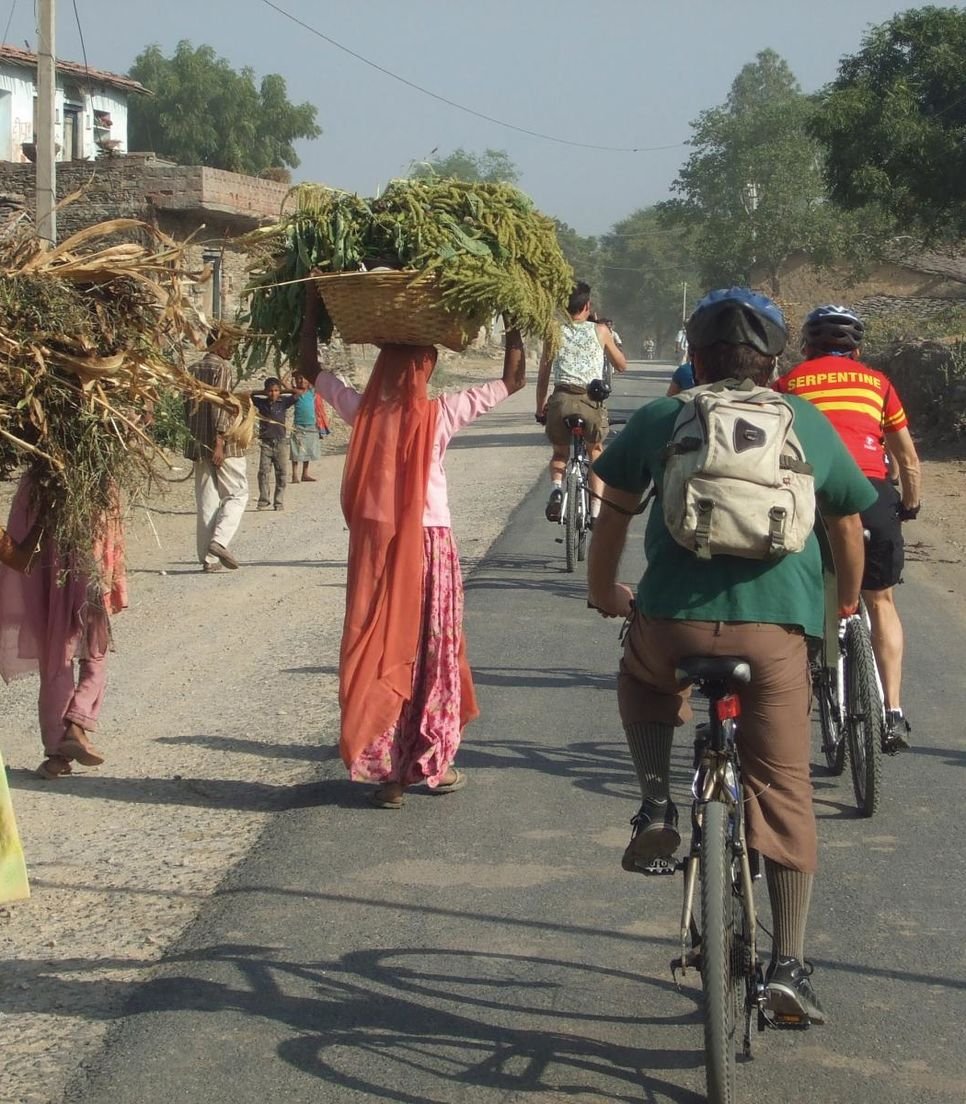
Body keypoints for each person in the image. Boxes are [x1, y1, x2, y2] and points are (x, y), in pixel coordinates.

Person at [587, 287, 875, 1023]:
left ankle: (656, 801)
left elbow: (613, 509)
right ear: (775, 361)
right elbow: (845, 525)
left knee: (643, 677)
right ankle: (790, 966)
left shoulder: (664, 415)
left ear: (693, 356)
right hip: (775, 634)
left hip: (675, 622)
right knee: (783, 790)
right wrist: (839, 604)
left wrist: (602, 591)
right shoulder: (802, 419)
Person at [298, 292, 526, 808]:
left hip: (380, 552)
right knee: (430, 652)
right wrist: (515, 315)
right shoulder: (439, 413)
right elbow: (514, 380)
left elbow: (307, 366)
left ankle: (389, 772)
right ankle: (431, 761)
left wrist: (312, 309)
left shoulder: (363, 411)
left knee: (386, 647)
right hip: (431, 550)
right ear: (425, 372)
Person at [775, 306, 921, 752]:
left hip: (810, 494)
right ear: (857, 350)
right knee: (880, 600)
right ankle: (892, 711)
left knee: (804, 592)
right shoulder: (879, 384)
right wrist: (910, 503)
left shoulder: (790, 384)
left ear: (805, 348)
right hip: (871, 496)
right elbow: (908, 459)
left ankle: (796, 700)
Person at [0, 476, 128, 779]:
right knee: (94, 648)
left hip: (50, 563)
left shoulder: (35, 487)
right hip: (86, 561)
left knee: (57, 653)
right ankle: (76, 723)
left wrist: (45, 516)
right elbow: (17, 556)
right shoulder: (95, 483)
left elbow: (18, 556)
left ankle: (58, 751)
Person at [535, 282, 627, 527]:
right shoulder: (600, 331)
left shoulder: (553, 331)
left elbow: (544, 374)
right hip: (590, 402)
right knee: (594, 450)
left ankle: (556, 489)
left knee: (560, 453)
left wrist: (540, 407)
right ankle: (596, 511)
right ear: (587, 306)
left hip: (561, 401)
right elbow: (621, 365)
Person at [184, 327, 248, 573]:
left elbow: (187, 408)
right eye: (230, 345)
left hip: (198, 442)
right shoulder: (221, 369)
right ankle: (219, 541)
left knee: (207, 499)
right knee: (237, 493)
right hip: (222, 445)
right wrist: (220, 441)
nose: (233, 350)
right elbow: (220, 404)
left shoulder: (193, 369)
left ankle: (208, 560)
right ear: (218, 345)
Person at [251, 377, 297, 511]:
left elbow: (298, 394)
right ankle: (264, 500)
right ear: (265, 392)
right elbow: (248, 394)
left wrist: (283, 390)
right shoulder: (262, 403)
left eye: (276, 390)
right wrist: (260, 391)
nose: (273, 393)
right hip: (266, 443)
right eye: (270, 391)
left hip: (281, 442)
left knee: (281, 473)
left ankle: (278, 501)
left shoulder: (283, 402)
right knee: (263, 472)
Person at [288, 371, 321, 484]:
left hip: (311, 425)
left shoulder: (312, 392)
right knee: (296, 451)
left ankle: (305, 474)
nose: (301, 381)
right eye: (299, 379)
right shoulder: (296, 393)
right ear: (295, 381)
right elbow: (283, 382)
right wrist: (291, 371)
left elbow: (317, 380)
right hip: (299, 426)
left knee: (307, 449)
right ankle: (294, 475)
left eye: (304, 379)